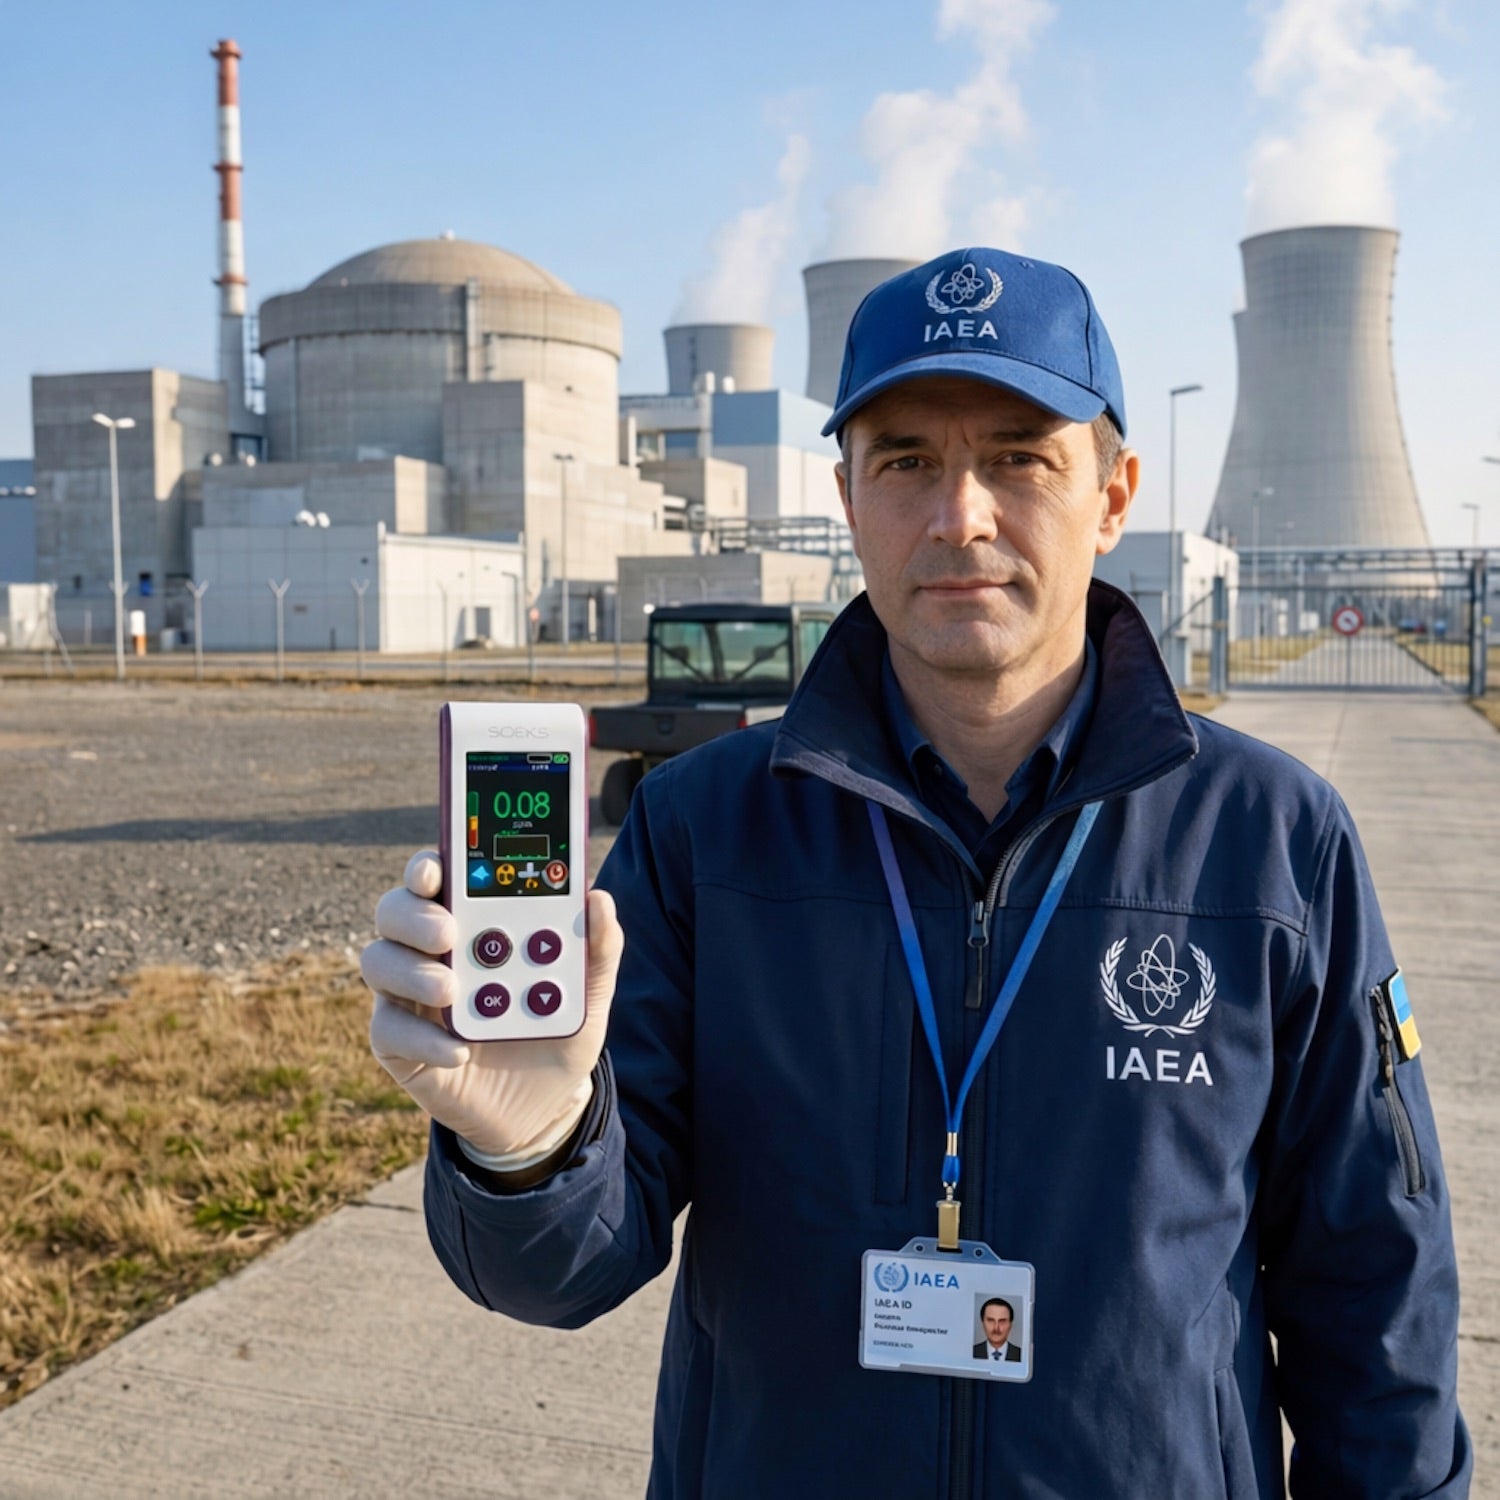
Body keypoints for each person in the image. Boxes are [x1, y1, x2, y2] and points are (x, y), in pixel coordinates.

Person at [362, 247, 1471, 1498]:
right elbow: (560, 1271)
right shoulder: (704, 830)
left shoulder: (1272, 839)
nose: (960, 518)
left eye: (1019, 458)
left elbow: (1376, 1285)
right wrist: (529, 1150)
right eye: (905, 463)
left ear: (1113, 495)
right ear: (847, 496)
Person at [973, 1298, 1020, 1363]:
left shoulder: (1021, 1355)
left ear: (1010, 1325)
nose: (996, 1328)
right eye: (991, 1320)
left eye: (1002, 1321)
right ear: (983, 1323)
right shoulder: (972, 1352)